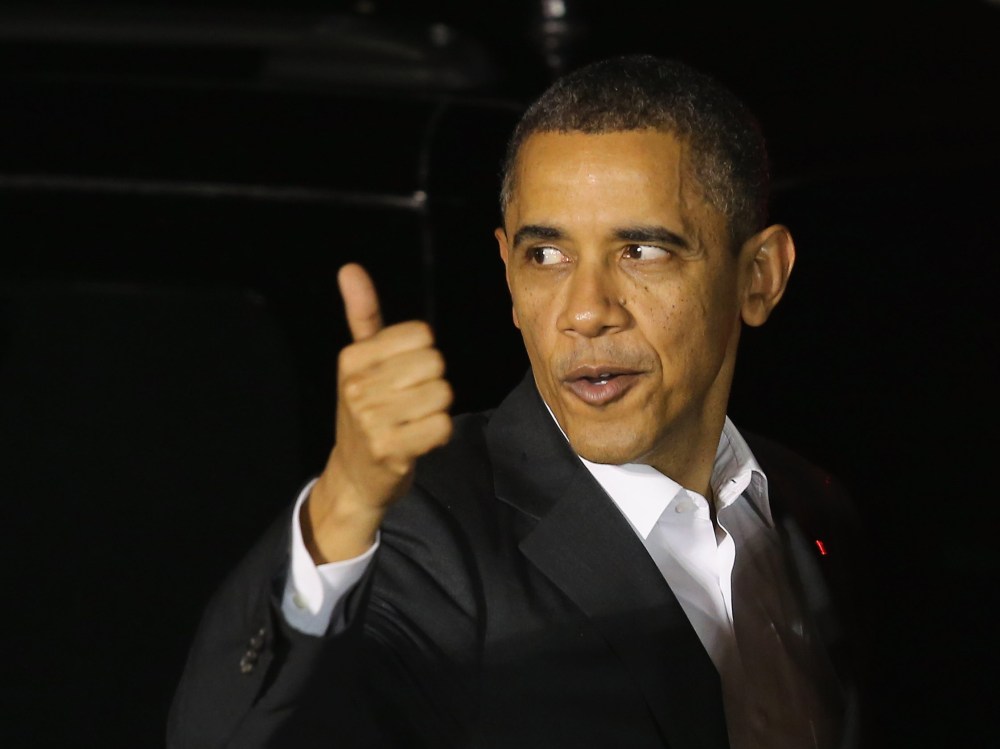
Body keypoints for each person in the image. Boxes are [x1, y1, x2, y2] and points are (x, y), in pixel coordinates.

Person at [167, 54, 868, 749]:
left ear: (759, 276)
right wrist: (344, 502)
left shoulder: (811, 505)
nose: (586, 311)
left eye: (641, 251)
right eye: (546, 256)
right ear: (507, 272)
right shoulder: (426, 535)